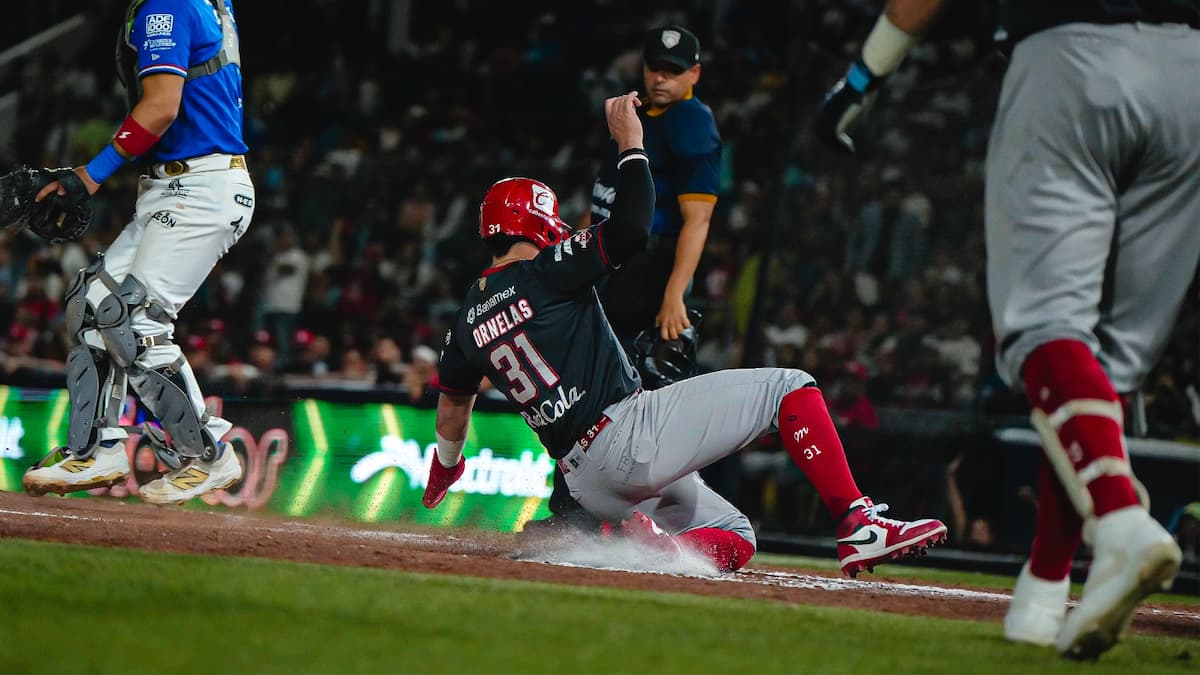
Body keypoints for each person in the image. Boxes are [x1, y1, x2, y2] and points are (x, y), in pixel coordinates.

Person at [422, 91, 947, 576]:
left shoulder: (466, 318)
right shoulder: (548, 268)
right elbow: (630, 230)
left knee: (735, 536)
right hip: (627, 435)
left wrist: (446, 470)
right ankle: (858, 524)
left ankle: (655, 550)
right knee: (791, 386)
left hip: (586, 480)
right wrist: (632, 145)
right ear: (539, 225)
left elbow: (451, 412)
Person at [814, 0, 1195, 659]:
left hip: (1072, 57)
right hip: (1191, 76)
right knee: (1104, 366)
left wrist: (859, 80)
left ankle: (1121, 518)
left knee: (1047, 331)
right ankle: (1044, 589)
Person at [22, 0, 254, 505]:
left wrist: (89, 175)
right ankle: (97, 449)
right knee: (92, 305)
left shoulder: (166, 4)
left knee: (138, 321)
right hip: (181, 186)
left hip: (199, 188)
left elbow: (161, 107)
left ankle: (207, 454)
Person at [529, 24, 724, 534]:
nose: (661, 78)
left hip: (648, 269)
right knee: (580, 387)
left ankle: (662, 521)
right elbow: (603, 200)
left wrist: (675, 293)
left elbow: (696, 219)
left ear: (695, 74)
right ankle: (573, 515)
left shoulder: (693, 123)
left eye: (674, 71)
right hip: (609, 265)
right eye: (655, 67)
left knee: (651, 390)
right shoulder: (630, 116)